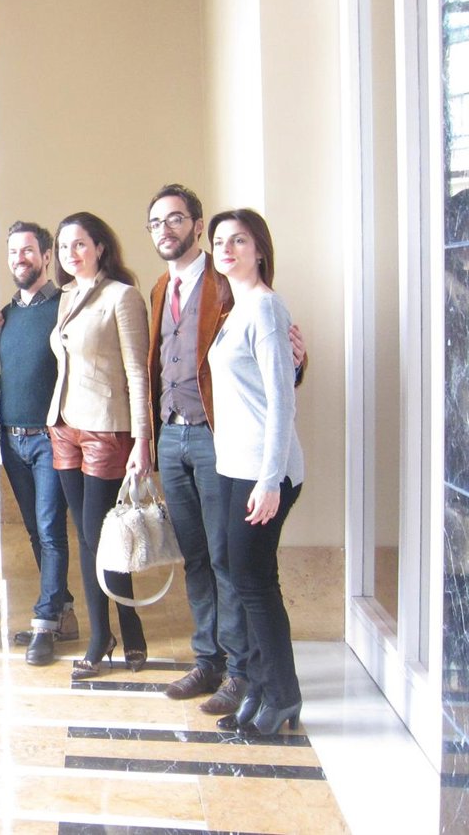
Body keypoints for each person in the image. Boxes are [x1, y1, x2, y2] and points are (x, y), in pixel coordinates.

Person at [145, 184, 307, 715]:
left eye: (175, 219)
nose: (164, 229)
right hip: (173, 434)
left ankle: (244, 673)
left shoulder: (231, 289)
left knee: (231, 561)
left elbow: (277, 379)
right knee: (199, 555)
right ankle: (210, 659)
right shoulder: (160, 291)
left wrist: (298, 361)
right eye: (155, 222)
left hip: (224, 443)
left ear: (193, 227)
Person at [206, 209, 305, 736]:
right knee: (245, 579)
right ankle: (264, 690)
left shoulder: (265, 307)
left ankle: (283, 696)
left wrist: (271, 479)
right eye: (219, 241)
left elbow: (281, 400)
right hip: (233, 465)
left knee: (253, 583)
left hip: (264, 471)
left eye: (238, 240)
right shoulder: (236, 308)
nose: (227, 248)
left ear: (259, 249)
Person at [47, 213, 151, 679]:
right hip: (64, 426)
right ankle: (121, 630)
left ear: (100, 247)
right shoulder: (66, 295)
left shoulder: (122, 297)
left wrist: (143, 440)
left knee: (99, 538)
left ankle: (106, 634)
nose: (72, 253)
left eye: (80, 244)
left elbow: (138, 373)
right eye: (65, 246)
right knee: (87, 537)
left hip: (108, 429)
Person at [0, 221, 79, 666]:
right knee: (34, 530)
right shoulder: (5, 316)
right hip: (10, 439)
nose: (20, 259)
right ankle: (64, 613)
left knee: (50, 530)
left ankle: (45, 622)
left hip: (50, 439)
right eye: (13, 253)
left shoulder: (64, 306)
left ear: (47, 256)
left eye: (28, 251)